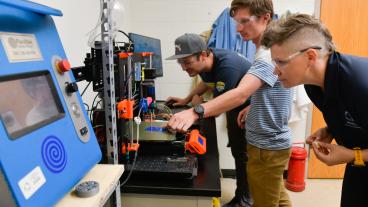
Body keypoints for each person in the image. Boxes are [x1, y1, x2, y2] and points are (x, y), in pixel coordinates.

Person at [167, 0, 293, 206]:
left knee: (265, 199)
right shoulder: (264, 51)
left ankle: (243, 200)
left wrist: (195, 112)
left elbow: (240, 94)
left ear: (265, 18)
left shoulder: (268, 54)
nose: (238, 28)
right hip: (265, 137)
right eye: (236, 22)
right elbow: (271, 86)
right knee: (276, 194)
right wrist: (255, 104)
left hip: (267, 143)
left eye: (244, 21)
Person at [261, 13, 368, 207]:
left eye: (281, 62)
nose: (275, 71)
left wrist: (354, 155)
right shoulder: (312, 85)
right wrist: (331, 130)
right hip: (359, 168)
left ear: (310, 56)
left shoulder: (361, 84)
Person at [166, 33, 253, 207]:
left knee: (244, 155)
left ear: (203, 55)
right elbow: (205, 83)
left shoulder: (227, 67)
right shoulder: (208, 63)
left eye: (187, 62)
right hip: (235, 108)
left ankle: (245, 200)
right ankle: (241, 196)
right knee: (238, 153)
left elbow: (217, 109)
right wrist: (187, 99)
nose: (183, 67)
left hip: (249, 111)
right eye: (180, 62)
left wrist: (196, 107)